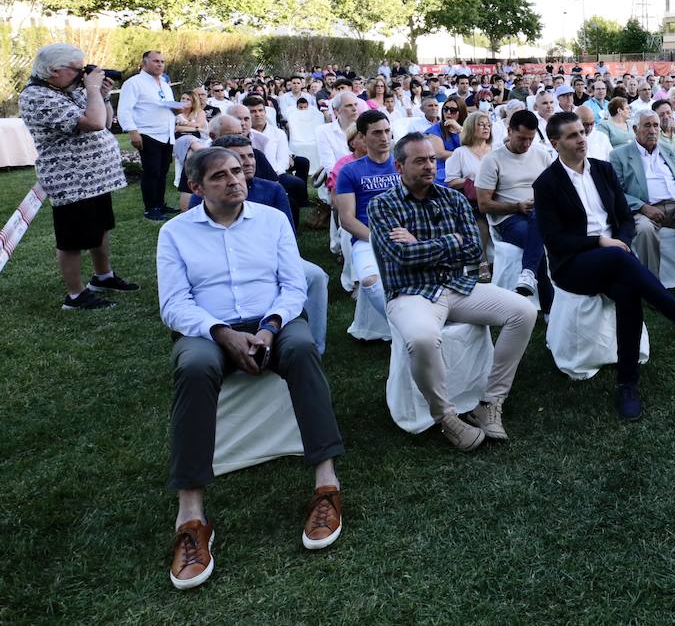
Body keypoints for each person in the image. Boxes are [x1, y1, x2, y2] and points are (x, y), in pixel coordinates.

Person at [158, 147, 344, 591]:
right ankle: (191, 516)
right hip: (208, 330)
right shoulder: (175, 232)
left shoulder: (272, 220)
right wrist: (222, 333)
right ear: (196, 187)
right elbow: (174, 304)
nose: (234, 180)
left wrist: (270, 327)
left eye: (237, 172)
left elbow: (293, 285)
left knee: (302, 350)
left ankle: (327, 485)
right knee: (194, 367)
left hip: (273, 323)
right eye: (220, 176)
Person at [534, 112, 675, 420]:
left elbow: (625, 219)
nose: (582, 139)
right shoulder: (547, 184)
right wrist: (602, 242)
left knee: (627, 291)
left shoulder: (602, 170)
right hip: (573, 265)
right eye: (572, 135)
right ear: (555, 143)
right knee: (619, 260)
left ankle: (627, 384)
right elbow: (555, 240)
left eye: (582, 132)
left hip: (616, 257)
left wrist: (621, 241)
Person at [369, 133, 537, 450]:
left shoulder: (453, 198)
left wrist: (422, 244)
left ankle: (490, 401)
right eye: (420, 160)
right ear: (399, 166)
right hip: (410, 293)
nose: (430, 166)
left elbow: (473, 251)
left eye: (433, 159)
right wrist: (451, 241)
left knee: (524, 312)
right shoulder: (383, 205)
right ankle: (445, 416)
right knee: (422, 338)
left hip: (457, 286)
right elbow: (401, 256)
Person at [19, 44, 140, 310]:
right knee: (71, 239)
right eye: (77, 69)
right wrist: (93, 89)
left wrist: (102, 96)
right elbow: (93, 123)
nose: (82, 74)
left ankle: (103, 277)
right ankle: (76, 295)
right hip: (71, 180)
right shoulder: (37, 96)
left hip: (95, 179)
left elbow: (105, 123)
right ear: (54, 70)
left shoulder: (66, 90)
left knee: (101, 227)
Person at [188, 135, 333, 353]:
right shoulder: (205, 196)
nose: (248, 162)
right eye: (240, 157)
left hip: (272, 254)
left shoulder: (272, 189)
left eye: (251, 155)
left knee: (316, 276)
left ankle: (315, 345)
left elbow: (288, 235)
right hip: (221, 257)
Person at [476, 109, 555, 307]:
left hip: (542, 214)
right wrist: (517, 206)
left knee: (539, 221)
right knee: (538, 239)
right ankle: (549, 305)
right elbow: (483, 204)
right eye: (522, 138)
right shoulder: (492, 160)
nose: (526, 144)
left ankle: (528, 274)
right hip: (509, 219)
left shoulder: (542, 155)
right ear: (509, 131)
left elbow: (556, 188)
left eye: (531, 139)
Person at [334, 110, 403, 317]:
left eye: (387, 131)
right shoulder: (350, 171)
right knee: (371, 282)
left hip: (406, 233)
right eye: (377, 133)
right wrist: (377, 239)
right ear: (362, 138)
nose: (384, 137)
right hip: (368, 239)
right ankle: (401, 323)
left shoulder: (403, 165)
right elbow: (346, 219)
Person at [610, 110, 675, 277]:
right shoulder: (619, 155)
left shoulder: (669, 149)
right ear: (635, 129)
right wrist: (643, 208)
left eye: (656, 125)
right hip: (645, 210)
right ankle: (652, 283)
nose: (652, 130)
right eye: (647, 125)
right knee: (645, 230)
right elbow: (616, 191)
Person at [117, 50, 183, 220]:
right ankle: (150, 208)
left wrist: (177, 110)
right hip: (147, 133)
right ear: (144, 63)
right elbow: (125, 109)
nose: (160, 64)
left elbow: (167, 106)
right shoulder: (134, 83)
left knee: (162, 171)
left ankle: (160, 204)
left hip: (166, 133)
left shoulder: (165, 84)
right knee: (151, 171)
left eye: (162, 61)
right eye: (155, 61)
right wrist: (132, 131)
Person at [445, 111, 496, 281]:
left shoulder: (496, 150)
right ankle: (482, 261)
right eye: (481, 124)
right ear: (470, 128)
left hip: (497, 195)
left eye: (488, 125)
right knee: (480, 213)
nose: (486, 127)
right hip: (472, 199)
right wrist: (472, 182)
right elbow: (451, 181)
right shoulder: (460, 153)